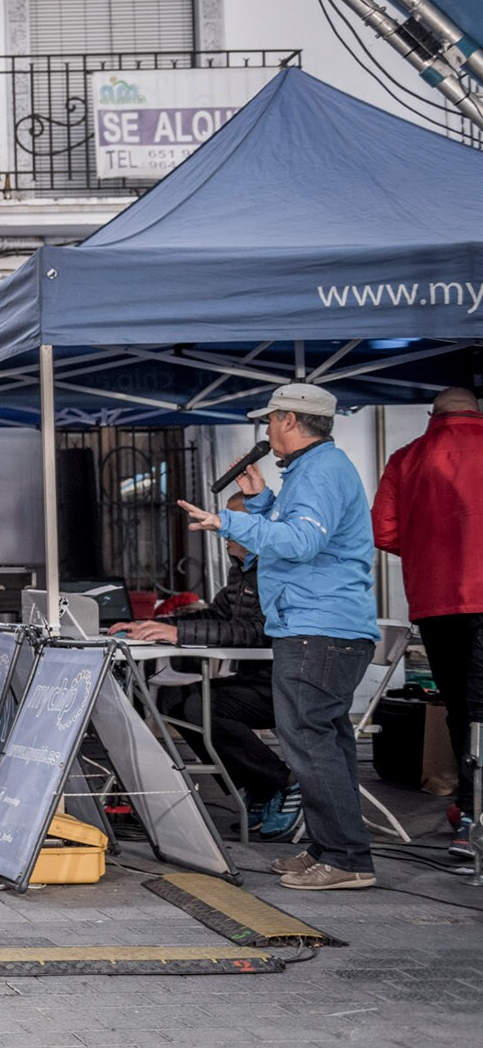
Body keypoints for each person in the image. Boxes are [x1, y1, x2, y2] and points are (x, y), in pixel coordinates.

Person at [179, 382, 380, 891]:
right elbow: (297, 531)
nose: (265, 429)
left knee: (311, 742)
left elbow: (302, 542)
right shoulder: (311, 472)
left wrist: (230, 520)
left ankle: (347, 858)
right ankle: (330, 848)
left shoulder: (321, 470)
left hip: (320, 627)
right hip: (316, 625)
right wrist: (261, 499)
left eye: (270, 420)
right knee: (324, 742)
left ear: (290, 421)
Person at [113, 494, 297, 837]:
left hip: (283, 682)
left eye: (234, 519)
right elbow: (219, 615)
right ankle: (259, 784)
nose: (224, 526)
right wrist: (155, 625)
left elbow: (257, 630)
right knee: (173, 703)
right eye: (224, 517)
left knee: (201, 707)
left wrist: (177, 631)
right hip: (253, 679)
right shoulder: (241, 570)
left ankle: (281, 781)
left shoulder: (273, 568)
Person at [373, 386, 483, 860]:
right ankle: (473, 813)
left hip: (436, 600)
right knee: (480, 706)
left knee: (460, 706)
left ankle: (469, 810)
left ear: (431, 415)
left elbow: (385, 531)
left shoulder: (406, 457)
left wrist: (428, 552)